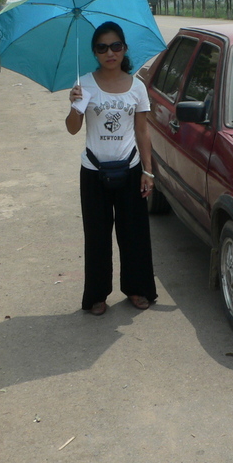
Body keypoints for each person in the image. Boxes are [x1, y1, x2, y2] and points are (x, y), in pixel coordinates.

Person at [65, 21, 158, 315]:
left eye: (115, 46)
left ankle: (138, 288)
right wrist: (74, 105)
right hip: (93, 172)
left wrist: (148, 171)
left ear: (124, 49)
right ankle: (96, 294)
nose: (110, 52)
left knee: (134, 234)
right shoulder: (85, 85)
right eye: (102, 47)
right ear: (95, 52)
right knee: (97, 235)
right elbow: (71, 129)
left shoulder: (138, 87)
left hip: (130, 169)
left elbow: (142, 131)